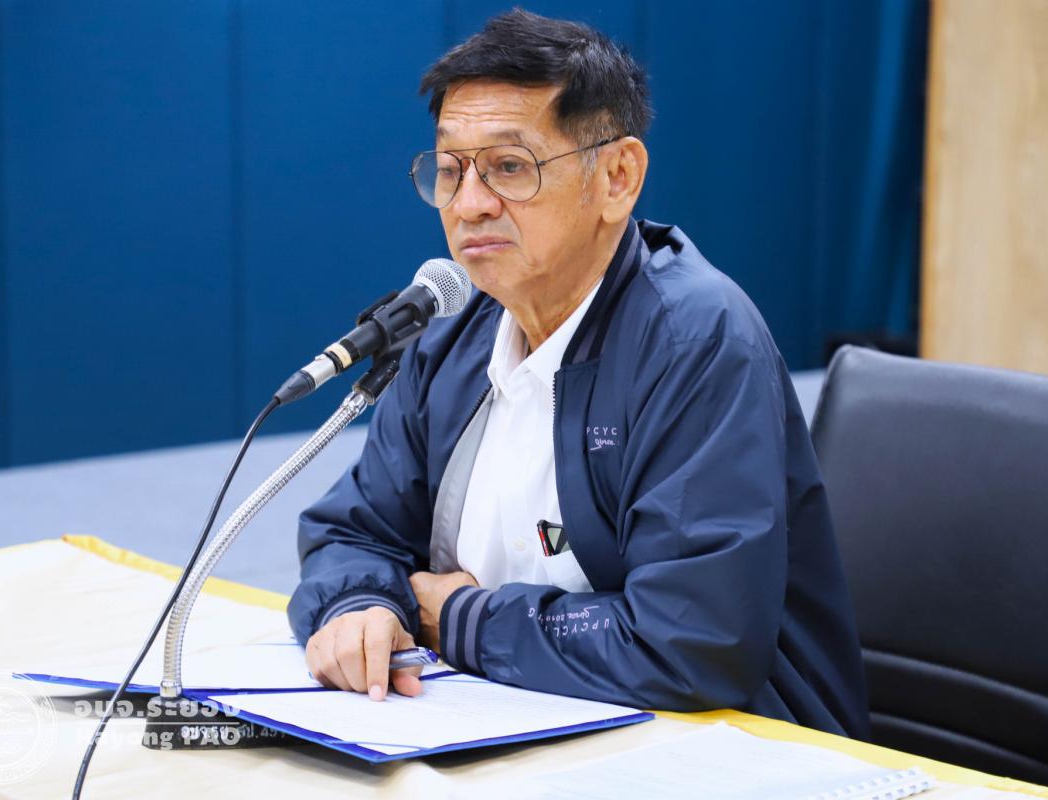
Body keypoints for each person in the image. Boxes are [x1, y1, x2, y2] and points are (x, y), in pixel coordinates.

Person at [288, 9, 869, 738]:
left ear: (618, 178)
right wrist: (359, 606)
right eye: (450, 170)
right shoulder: (453, 330)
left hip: (728, 748)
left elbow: (694, 641)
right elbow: (353, 531)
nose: (470, 205)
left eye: (509, 167)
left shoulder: (693, 340)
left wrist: (461, 619)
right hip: (502, 718)